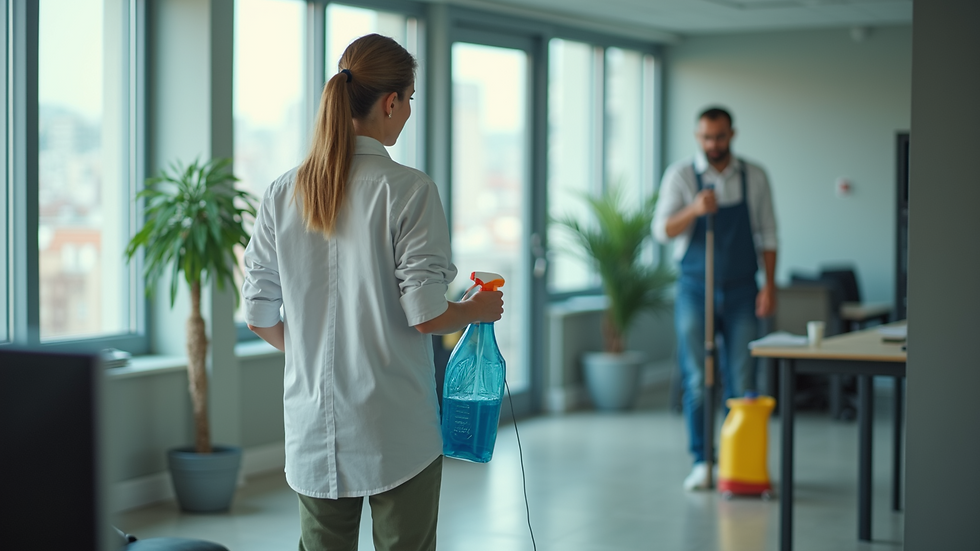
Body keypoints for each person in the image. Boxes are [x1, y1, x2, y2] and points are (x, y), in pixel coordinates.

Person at [241, 34, 504, 551]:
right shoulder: (408, 189)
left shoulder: (282, 192)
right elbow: (427, 315)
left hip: (313, 425)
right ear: (390, 102)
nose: (407, 113)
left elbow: (258, 314)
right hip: (395, 427)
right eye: (408, 100)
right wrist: (477, 309)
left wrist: (320, 357)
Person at [653, 107, 777, 491]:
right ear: (698, 136)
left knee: (740, 378)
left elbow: (768, 235)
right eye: (707, 137)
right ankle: (701, 460)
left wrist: (769, 285)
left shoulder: (753, 176)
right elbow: (662, 231)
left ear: (732, 135)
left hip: (742, 288)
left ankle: (734, 460)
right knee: (697, 377)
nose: (713, 145)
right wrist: (694, 208)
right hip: (694, 287)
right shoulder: (681, 176)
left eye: (720, 137)